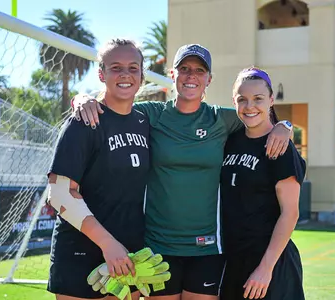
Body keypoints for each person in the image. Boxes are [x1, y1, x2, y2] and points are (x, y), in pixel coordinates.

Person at [71, 44, 294, 300]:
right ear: (172, 74)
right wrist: (82, 98)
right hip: (157, 247)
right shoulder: (150, 114)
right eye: (184, 69)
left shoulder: (221, 119)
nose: (191, 76)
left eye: (200, 71)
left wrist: (284, 125)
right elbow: (113, 106)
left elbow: (257, 115)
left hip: (207, 249)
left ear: (209, 79)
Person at [47, 38, 150, 300]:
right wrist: (107, 244)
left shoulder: (145, 121)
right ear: (101, 74)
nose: (125, 74)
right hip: (81, 252)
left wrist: (273, 125)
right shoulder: (83, 121)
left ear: (142, 74)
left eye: (133, 67)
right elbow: (59, 195)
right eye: (116, 67)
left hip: (128, 254)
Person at [220, 67, 306, 300]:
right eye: (242, 100)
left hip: (269, 264)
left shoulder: (280, 147)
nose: (250, 107)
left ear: (271, 99)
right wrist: (285, 124)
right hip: (234, 260)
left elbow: (290, 213)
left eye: (258, 99)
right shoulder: (231, 140)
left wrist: (265, 269)